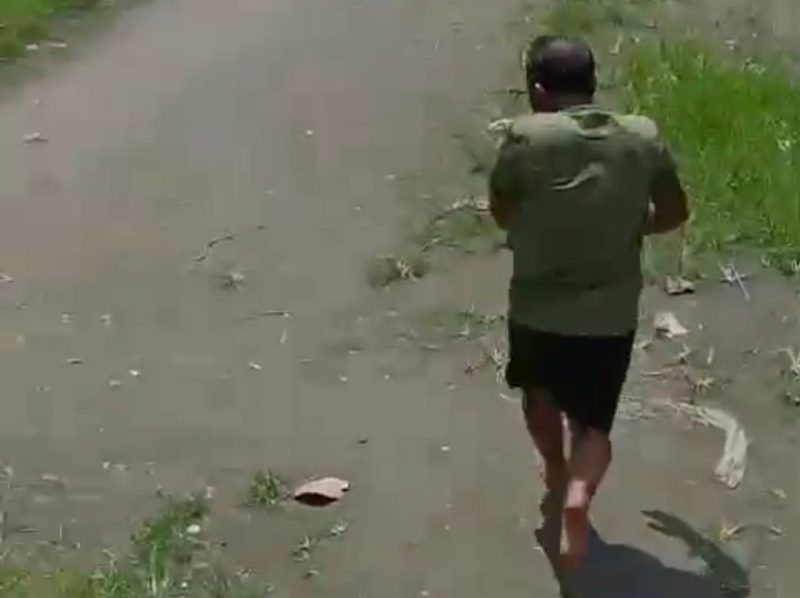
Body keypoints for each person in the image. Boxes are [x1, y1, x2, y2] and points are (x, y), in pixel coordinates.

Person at [489, 35, 689, 568]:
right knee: (593, 424)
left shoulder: (525, 138)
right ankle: (579, 492)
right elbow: (673, 212)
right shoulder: (642, 137)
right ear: (593, 84)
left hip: (537, 305)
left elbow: (503, 212)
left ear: (538, 90)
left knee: (539, 395)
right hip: (609, 314)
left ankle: (555, 472)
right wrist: (628, 228)